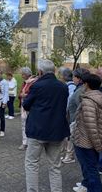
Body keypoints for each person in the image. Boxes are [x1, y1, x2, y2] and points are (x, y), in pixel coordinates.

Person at [22, 59, 70, 192]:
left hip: (38, 130)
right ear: (54, 71)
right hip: (56, 131)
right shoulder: (63, 86)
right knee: (55, 166)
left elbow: (26, 105)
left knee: (32, 164)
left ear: (40, 71)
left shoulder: (37, 86)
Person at [72, 74, 102, 192]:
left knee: (91, 170)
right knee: (91, 168)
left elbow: (91, 126)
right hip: (97, 139)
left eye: (83, 83)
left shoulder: (88, 101)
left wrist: (98, 146)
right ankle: (88, 186)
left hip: (87, 142)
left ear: (87, 84)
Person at [64, 68, 90, 164]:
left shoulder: (80, 91)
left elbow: (81, 107)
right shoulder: (78, 89)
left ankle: (70, 156)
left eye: (74, 77)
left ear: (79, 78)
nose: (72, 79)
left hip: (77, 122)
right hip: (74, 120)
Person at [17, 67, 37, 151]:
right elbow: (20, 92)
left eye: (23, 74)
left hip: (31, 107)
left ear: (27, 74)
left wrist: (25, 95)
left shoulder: (33, 82)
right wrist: (21, 95)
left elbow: (33, 94)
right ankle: (25, 142)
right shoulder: (25, 83)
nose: (22, 76)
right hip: (24, 106)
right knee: (24, 124)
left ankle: (32, 143)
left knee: (31, 124)